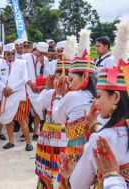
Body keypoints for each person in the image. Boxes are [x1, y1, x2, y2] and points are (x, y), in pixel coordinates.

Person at [60, 21, 129, 189]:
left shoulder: (101, 139)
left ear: (116, 98)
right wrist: (92, 125)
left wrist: (69, 176)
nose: (95, 102)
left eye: (98, 96)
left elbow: (78, 184)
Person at [52, 30, 97, 188]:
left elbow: (58, 117)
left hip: (76, 152)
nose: (69, 83)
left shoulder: (72, 96)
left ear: (84, 77)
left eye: (71, 79)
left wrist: (58, 95)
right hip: (96, 153)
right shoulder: (100, 98)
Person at [35, 36, 74, 188]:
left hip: (65, 142)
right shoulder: (50, 93)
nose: (60, 77)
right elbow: (40, 104)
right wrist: (47, 87)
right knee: (47, 173)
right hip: (48, 140)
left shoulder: (74, 96)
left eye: (64, 74)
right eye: (58, 74)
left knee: (62, 174)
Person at [0, 43, 31, 150]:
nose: (11, 55)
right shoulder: (1, 66)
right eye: (8, 54)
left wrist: (11, 89)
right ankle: (11, 141)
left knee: (21, 120)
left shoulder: (22, 63)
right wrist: (3, 88)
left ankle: (28, 142)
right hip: (6, 96)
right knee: (8, 120)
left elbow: (24, 79)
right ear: (4, 54)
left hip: (18, 96)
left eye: (12, 53)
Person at [22, 42, 51, 142]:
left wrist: (43, 64)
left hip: (40, 88)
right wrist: (30, 83)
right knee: (26, 111)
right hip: (27, 87)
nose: (41, 55)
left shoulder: (45, 59)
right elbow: (23, 72)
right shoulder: (25, 57)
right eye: (40, 52)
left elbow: (47, 75)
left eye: (44, 53)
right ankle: (25, 134)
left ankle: (35, 133)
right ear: (36, 49)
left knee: (39, 111)